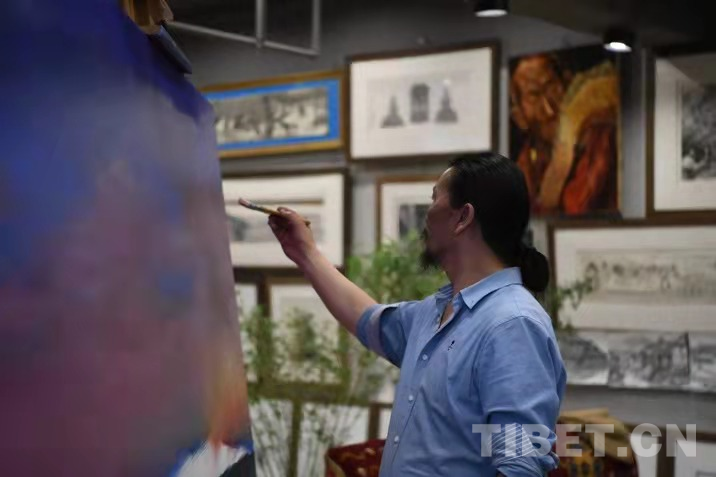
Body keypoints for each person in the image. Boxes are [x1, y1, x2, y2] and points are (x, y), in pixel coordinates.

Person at [268, 152, 566, 476]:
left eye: (435, 198)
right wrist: (304, 252)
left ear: (463, 217)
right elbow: (367, 319)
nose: (427, 214)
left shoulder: (512, 325)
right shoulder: (434, 313)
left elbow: (520, 466)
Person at [510, 54, 618, 215]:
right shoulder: (522, 169)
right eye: (534, 96)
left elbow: (578, 209)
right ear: (519, 117)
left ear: (567, 83)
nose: (549, 109)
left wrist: (559, 169)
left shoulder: (598, 139)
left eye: (552, 87)